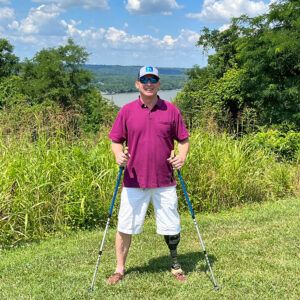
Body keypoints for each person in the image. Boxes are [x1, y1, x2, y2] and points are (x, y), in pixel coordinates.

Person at [107, 66, 190, 284]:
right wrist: (118, 156)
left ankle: (175, 263)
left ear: (159, 84)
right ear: (137, 84)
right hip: (134, 180)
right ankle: (119, 269)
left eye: (153, 80)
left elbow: (183, 139)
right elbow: (116, 140)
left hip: (164, 180)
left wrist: (181, 157)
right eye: (145, 80)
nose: (149, 84)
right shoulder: (126, 111)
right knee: (125, 226)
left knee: (171, 224)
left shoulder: (171, 110)